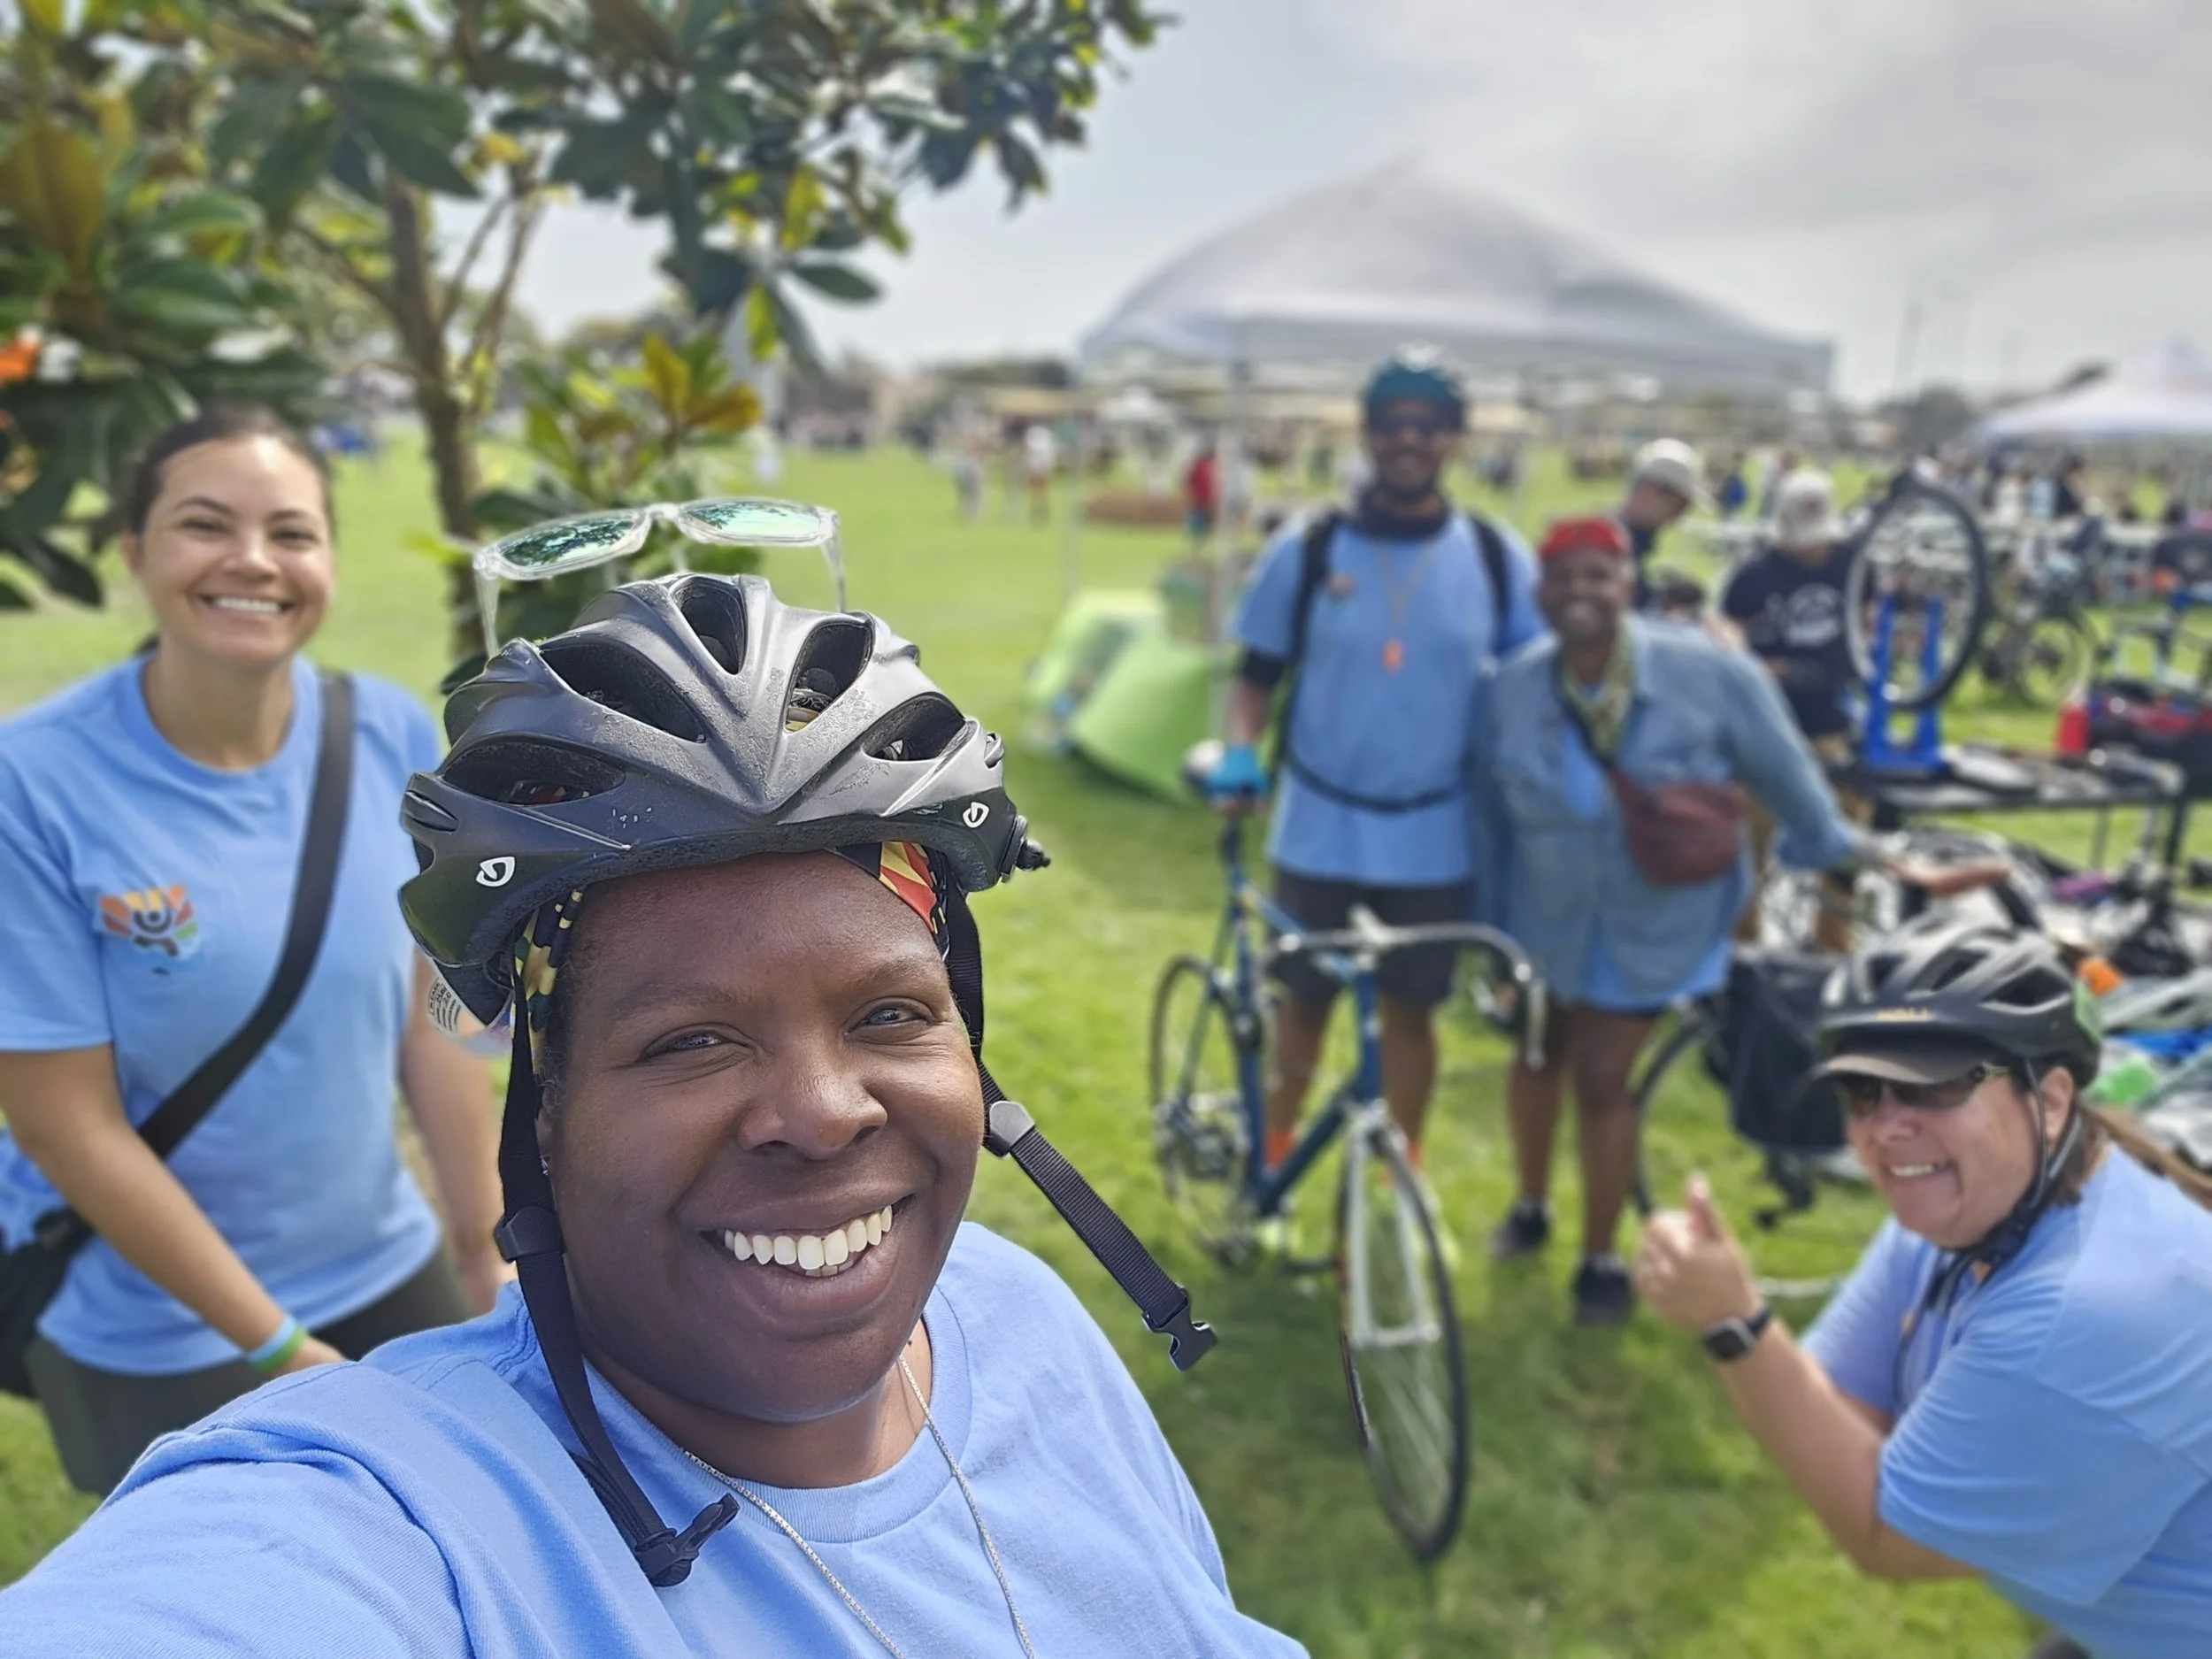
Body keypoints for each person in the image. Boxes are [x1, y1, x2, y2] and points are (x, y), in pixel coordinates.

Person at [0, 572, 1302, 1658]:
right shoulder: (399, 1515)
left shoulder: (1014, 1314)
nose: (822, 1110)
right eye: (689, 1038)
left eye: (891, 1014)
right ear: (545, 1108)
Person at [0, 405, 503, 1496]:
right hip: (153, 1321)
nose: (251, 562)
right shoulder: (30, 783)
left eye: (291, 531)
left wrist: (478, 1238)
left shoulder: (386, 728)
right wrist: (276, 1348)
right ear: (134, 552)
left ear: (325, 560)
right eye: (203, 525)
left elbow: (437, 1005)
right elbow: (62, 1121)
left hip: (382, 1256)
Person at [1635, 917, 2212, 1659]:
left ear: (2053, 1096)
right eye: (1860, 1090)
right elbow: (1838, 1411)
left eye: (1936, 1084)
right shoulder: (1964, 1206)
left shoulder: (2093, 1303)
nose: (1889, 1127)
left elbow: (1885, 1531)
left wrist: (1735, 1324)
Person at [1481, 516, 1956, 1324]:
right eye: (1562, 578)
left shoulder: (1709, 674)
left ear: (1630, 583)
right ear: (1540, 593)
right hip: (1546, 914)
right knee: (1537, 1051)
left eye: (1599, 575)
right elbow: (1488, 817)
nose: (1580, 593)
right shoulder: (1514, 687)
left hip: (1654, 917)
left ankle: (1600, 1257)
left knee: (1601, 1076)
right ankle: (1531, 1204)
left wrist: (1868, 856)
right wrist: (1487, 931)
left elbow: (1790, 777)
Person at [1204, 349, 1540, 1171]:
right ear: (1367, 432)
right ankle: (1271, 1162)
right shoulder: (1310, 546)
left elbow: (1536, 685)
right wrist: (1242, 751)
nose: (1408, 440)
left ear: (1455, 439)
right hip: (1320, 821)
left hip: (1436, 829)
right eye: (1391, 423)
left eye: (1428, 426)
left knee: (1412, 1010)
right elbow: (1255, 675)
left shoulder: (1496, 557)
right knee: (1304, 1006)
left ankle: (1398, 1175)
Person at [1720, 468, 1862, 949]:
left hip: (1831, 720)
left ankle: (1833, 940)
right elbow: (1727, 643)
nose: (1813, 550)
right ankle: (1744, 946)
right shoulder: (1754, 576)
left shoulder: (1851, 565)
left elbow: (1867, 624)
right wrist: (1767, 668)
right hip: (1767, 725)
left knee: (1845, 835)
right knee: (1749, 838)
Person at [1619, 437, 1709, 603]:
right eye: (1679, 508)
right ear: (1650, 491)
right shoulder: (1611, 542)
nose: (1677, 519)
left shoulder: (1629, 538)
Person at [1184, 438, 1220, 549]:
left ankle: (1201, 540)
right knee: (1198, 520)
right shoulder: (1198, 465)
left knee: (1204, 521)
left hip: (1207, 500)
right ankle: (1196, 540)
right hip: (1199, 499)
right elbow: (1189, 479)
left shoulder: (1209, 466)